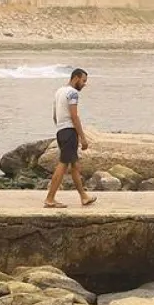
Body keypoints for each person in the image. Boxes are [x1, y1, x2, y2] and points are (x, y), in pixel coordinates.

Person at [44, 68, 97, 209]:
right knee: (63, 165)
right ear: (76, 78)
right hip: (69, 132)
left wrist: (62, 129)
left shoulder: (59, 91)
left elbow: (54, 116)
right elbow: (74, 116)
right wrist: (82, 137)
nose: (84, 84)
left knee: (74, 166)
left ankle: (84, 197)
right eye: (83, 81)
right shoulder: (73, 93)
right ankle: (50, 199)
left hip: (61, 131)